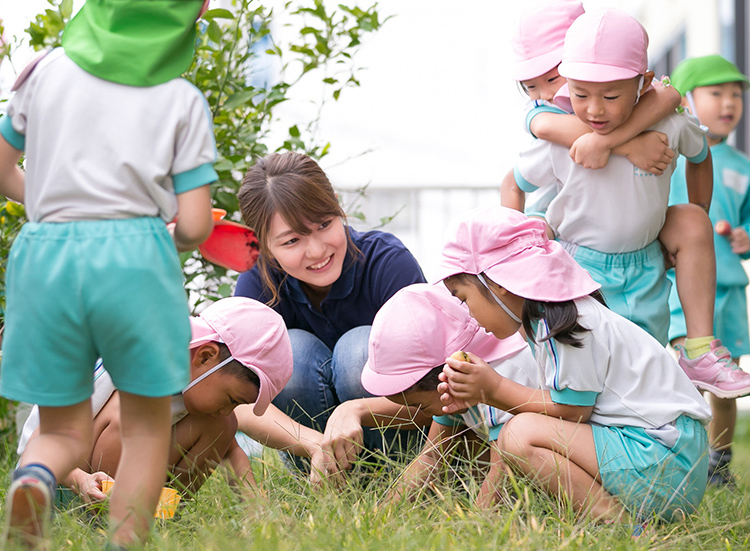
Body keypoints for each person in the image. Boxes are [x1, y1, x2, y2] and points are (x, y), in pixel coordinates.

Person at [0, 1, 216, 548]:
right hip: (135, 259)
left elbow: (3, 168)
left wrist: (52, 208)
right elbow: (193, 224)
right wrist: (161, 238)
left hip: (46, 257)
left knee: (62, 430)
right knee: (145, 428)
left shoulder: (43, 72)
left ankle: (35, 475)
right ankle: (125, 542)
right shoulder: (179, 99)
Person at [506, 8, 750, 397]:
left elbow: (697, 148)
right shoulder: (552, 127)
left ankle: (699, 351)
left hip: (644, 261)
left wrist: (698, 223)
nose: (594, 108)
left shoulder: (667, 119)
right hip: (580, 266)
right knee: (583, 376)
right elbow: (513, 181)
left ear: (641, 84)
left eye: (610, 95)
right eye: (580, 94)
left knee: (646, 363)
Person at [435, 207, 712, 523]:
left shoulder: (567, 323)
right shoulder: (548, 321)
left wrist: (492, 389)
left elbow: (570, 413)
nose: (467, 312)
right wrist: (479, 393)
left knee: (519, 435)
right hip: (664, 456)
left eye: (463, 298)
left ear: (498, 283)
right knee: (521, 432)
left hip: (664, 460)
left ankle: (621, 525)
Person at [234, 151, 427, 468]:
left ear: (338, 205)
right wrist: (314, 445)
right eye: (292, 240)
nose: (317, 250)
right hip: (316, 462)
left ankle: (389, 475)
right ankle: (327, 479)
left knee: (358, 351)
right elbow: (239, 403)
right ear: (262, 243)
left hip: (401, 453)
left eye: (324, 224)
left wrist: (355, 410)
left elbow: (439, 391)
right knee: (290, 353)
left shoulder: (387, 263)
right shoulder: (258, 283)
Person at [17, 297, 293, 503]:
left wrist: (256, 506)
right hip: (59, 482)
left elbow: (231, 451)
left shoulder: (196, 385)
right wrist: (81, 481)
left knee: (223, 426)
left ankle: (152, 516)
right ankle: (100, 519)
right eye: (231, 399)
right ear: (205, 356)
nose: (228, 409)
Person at [359, 283, 539, 507]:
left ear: (446, 375)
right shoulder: (457, 378)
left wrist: (476, 527)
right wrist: (384, 513)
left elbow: (501, 474)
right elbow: (431, 456)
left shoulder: (498, 374)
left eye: (421, 406)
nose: (418, 414)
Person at [502, 0, 679, 220]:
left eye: (552, 78)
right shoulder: (541, 109)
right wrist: (632, 145)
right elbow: (546, 128)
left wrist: (605, 142)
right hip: (549, 214)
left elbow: (669, 95)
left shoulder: (612, 88)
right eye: (531, 87)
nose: (545, 94)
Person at [666, 55, 750, 486]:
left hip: (730, 289)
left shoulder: (741, 166)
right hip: (679, 288)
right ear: (685, 101)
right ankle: (684, 458)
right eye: (716, 93)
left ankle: (719, 461)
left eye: (735, 94)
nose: (729, 102)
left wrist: (744, 237)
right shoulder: (671, 158)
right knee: (686, 374)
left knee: (727, 377)